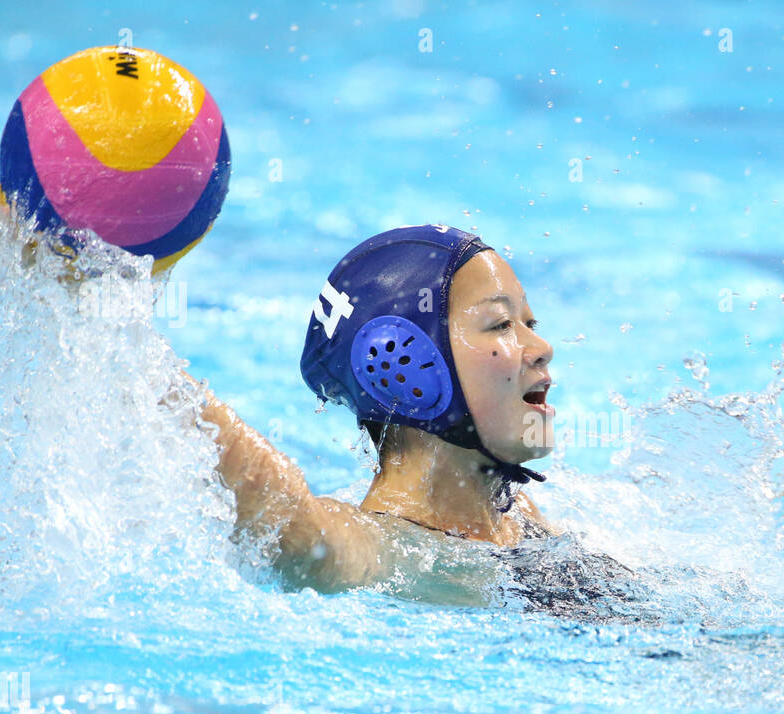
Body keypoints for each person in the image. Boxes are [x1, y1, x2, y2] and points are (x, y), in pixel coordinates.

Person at [184, 224, 564, 596]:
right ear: (405, 363)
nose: (542, 346)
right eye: (500, 324)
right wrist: (142, 360)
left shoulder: (517, 518)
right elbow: (290, 525)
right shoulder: (384, 552)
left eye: (529, 323)